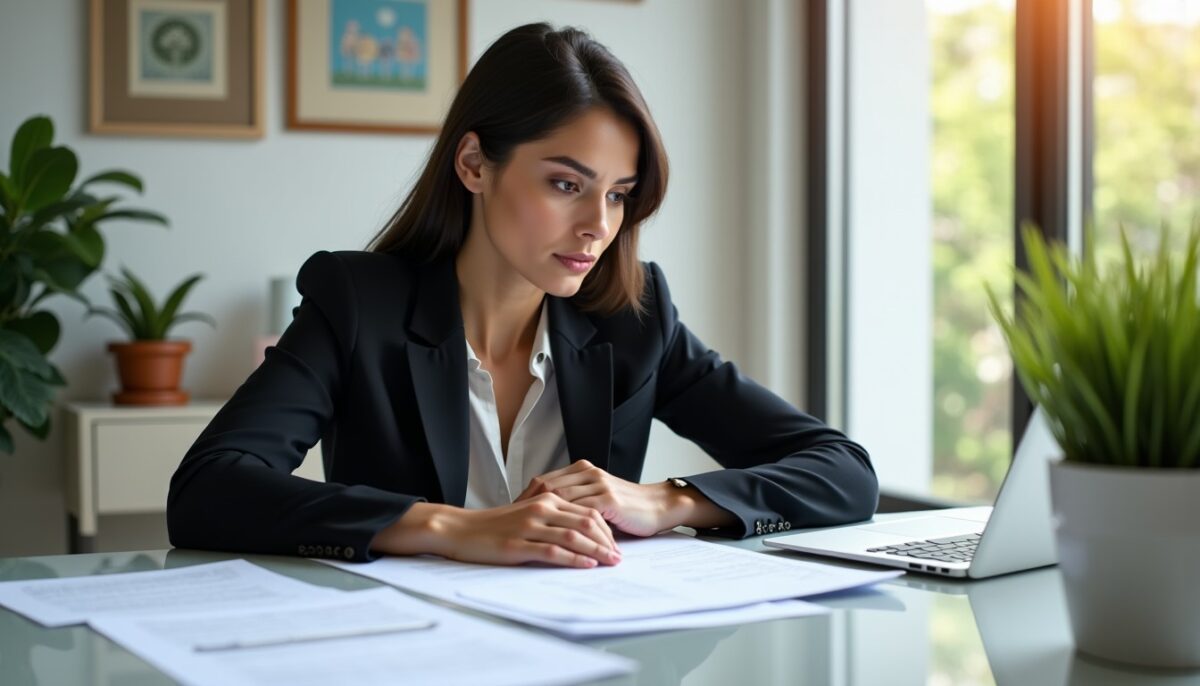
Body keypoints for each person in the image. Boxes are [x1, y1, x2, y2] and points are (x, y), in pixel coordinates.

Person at [167, 23, 878, 569]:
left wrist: (662, 502)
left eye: (618, 195)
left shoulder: (636, 319)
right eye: (566, 184)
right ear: (475, 164)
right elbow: (208, 491)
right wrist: (452, 528)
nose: (598, 226)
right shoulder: (358, 304)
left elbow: (843, 472)